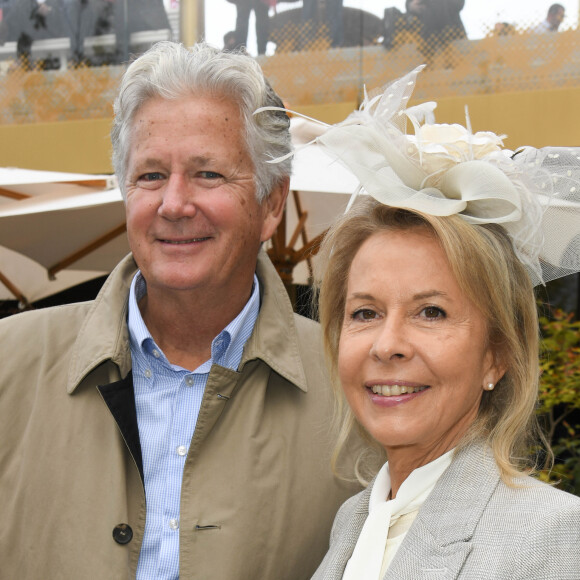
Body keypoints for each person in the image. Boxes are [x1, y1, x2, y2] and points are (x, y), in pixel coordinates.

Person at [0, 41, 361, 579]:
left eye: (208, 174)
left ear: (271, 204)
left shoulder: (355, 388)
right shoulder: (9, 362)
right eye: (149, 176)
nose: (173, 204)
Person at [290, 66, 580, 578]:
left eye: (431, 312)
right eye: (365, 312)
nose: (388, 344)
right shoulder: (352, 523)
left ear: (498, 354)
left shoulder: (554, 538)